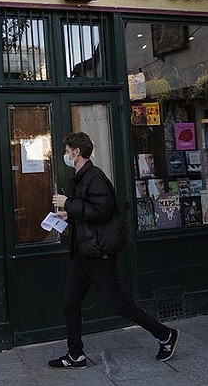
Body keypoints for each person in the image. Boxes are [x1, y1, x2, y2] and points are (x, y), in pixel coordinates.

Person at [49, 132, 178, 369]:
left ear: (77, 153)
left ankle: (165, 334)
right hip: (84, 252)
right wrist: (69, 213)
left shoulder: (94, 177)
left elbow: (103, 210)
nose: (65, 155)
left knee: (119, 304)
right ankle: (75, 354)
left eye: (67, 151)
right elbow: (90, 211)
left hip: (98, 253)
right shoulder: (81, 177)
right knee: (70, 301)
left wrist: (68, 203)